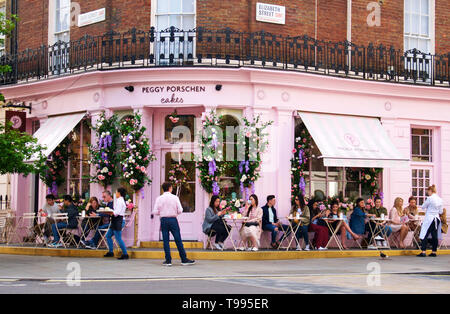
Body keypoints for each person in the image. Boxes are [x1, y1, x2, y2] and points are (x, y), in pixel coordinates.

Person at [153, 182, 195, 266]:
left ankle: (168, 260)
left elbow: (155, 211)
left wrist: (162, 212)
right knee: (178, 239)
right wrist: (173, 212)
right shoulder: (175, 197)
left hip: (163, 220)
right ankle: (183, 259)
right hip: (173, 219)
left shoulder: (159, 198)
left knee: (165, 240)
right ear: (170, 188)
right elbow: (180, 210)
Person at [417, 185, 443, 257]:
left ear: (430, 191)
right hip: (436, 219)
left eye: (427, 192)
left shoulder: (430, 198)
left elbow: (423, 206)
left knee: (424, 234)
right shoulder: (440, 199)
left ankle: (423, 251)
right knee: (434, 235)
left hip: (429, 218)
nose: (427, 193)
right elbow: (441, 211)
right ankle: (434, 251)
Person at [103, 187, 129, 260]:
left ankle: (125, 254)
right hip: (115, 220)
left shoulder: (120, 201)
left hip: (119, 221)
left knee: (118, 238)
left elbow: (116, 213)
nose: (115, 193)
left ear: (119, 193)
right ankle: (111, 252)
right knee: (108, 235)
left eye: (116, 192)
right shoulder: (119, 200)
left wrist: (109, 211)